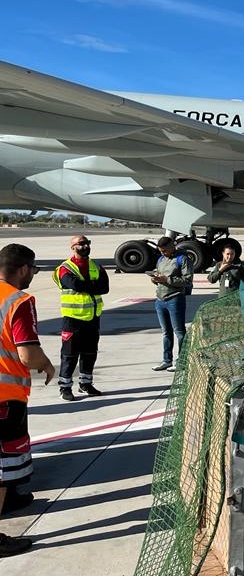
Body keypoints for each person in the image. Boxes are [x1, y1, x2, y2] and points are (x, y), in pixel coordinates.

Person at [0, 243, 56, 557]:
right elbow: (27, 353)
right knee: (3, 470)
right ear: (23, 269)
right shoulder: (18, 300)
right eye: (33, 270)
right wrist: (45, 364)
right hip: (4, 400)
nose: (33, 275)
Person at [52, 234, 109, 401]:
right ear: (73, 247)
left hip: (92, 316)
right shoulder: (65, 268)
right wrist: (93, 286)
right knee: (69, 354)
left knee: (90, 352)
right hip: (73, 318)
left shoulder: (96, 266)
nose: (85, 246)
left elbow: (104, 288)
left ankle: (85, 383)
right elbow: (73, 284)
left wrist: (86, 287)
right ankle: (65, 386)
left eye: (87, 243)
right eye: (81, 244)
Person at [149, 236, 193, 372]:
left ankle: (182, 360)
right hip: (160, 299)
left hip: (175, 299)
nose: (163, 253)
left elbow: (187, 280)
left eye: (165, 251)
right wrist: (155, 279)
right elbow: (159, 275)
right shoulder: (161, 260)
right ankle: (167, 360)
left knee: (179, 332)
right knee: (166, 332)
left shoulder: (182, 259)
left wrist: (167, 279)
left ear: (172, 246)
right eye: (161, 251)